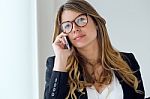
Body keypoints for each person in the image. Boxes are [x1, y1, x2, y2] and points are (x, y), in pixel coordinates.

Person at [44, 0, 145, 99]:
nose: (75, 28)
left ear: (96, 22)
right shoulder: (57, 65)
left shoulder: (127, 61)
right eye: (67, 25)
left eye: (81, 20)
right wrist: (61, 59)